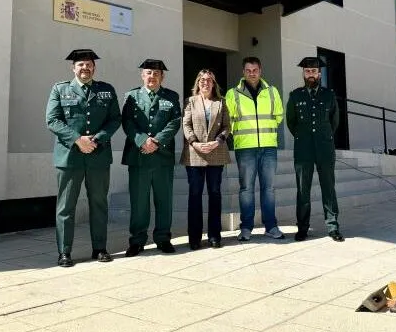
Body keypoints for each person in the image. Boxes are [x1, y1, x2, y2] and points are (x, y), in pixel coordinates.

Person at [45, 49, 121, 267]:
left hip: (98, 156)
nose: (85, 68)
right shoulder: (60, 89)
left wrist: (97, 139)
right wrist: (78, 139)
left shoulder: (106, 90)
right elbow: (52, 120)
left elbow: (115, 119)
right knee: (66, 206)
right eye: (80, 65)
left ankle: (100, 248)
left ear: (94, 68)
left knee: (99, 204)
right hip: (69, 158)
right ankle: (64, 252)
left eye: (88, 65)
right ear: (73, 68)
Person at [121, 59, 182, 256]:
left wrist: (156, 142)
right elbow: (127, 122)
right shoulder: (131, 96)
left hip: (162, 156)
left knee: (164, 200)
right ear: (142, 75)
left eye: (156, 73)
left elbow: (174, 122)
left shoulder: (171, 96)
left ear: (162, 76)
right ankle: (137, 240)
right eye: (148, 73)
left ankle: (163, 238)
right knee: (139, 201)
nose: (152, 76)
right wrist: (142, 141)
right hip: (138, 157)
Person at [225, 57, 285, 241]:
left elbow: (279, 116)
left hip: (268, 147)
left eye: (255, 70)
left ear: (260, 71)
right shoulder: (232, 94)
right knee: (246, 189)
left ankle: (271, 226)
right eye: (248, 70)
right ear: (243, 72)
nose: (252, 73)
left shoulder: (272, 92)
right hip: (245, 148)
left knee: (269, 189)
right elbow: (229, 120)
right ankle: (246, 228)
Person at [285, 57, 344, 242]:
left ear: (320, 74)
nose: (311, 74)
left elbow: (334, 121)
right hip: (303, 149)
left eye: (314, 71)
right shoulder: (295, 95)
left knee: (329, 187)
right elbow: (291, 122)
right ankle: (302, 227)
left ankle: (333, 226)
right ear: (303, 74)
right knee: (303, 189)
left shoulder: (329, 95)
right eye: (307, 71)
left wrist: (323, 137)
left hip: (325, 148)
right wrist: (303, 137)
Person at [180, 69, 231, 249]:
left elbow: (227, 126)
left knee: (215, 195)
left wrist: (218, 141)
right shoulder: (190, 101)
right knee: (195, 195)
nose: (205, 83)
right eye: (202, 80)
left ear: (213, 84)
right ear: (197, 83)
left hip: (216, 153)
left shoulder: (221, 102)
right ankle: (194, 238)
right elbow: (186, 124)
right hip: (195, 153)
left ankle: (214, 236)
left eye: (209, 80)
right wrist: (194, 143)